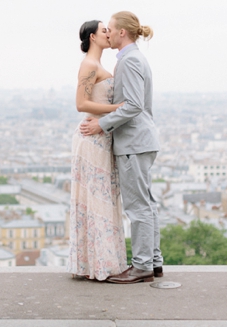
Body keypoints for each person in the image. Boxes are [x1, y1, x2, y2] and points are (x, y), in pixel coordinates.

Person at [80, 11, 162, 284]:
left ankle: (141, 266)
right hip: (142, 141)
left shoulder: (127, 61)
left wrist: (103, 125)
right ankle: (153, 261)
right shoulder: (135, 58)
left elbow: (133, 105)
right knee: (147, 205)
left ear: (121, 33)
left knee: (138, 207)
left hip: (133, 142)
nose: (109, 34)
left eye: (111, 30)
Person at [68, 19, 128, 281]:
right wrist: (118, 109)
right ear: (92, 37)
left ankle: (98, 263)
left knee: (101, 200)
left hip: (100, 137)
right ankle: (100, 264)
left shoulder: (98, 65)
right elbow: (81, 103)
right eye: (104, 30)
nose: (108, 33)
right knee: (98, 201)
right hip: (91, 140)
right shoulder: (89, 65)